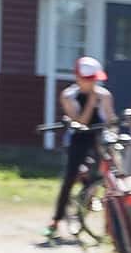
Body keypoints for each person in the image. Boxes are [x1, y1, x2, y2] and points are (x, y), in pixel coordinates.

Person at [45, 56, 116, 241]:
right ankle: (56, 220)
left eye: (95, 79)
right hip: (79, 137)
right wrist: (92, 102)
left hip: (99, 137)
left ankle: (109, 221)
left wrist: (114, 132)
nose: (94, 82)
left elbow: (110, 120)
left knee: (108, 175)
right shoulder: (68, 95)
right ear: (79, 79)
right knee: (69, 178)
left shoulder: (105, 95)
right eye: (90, 79)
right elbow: (81, 121)